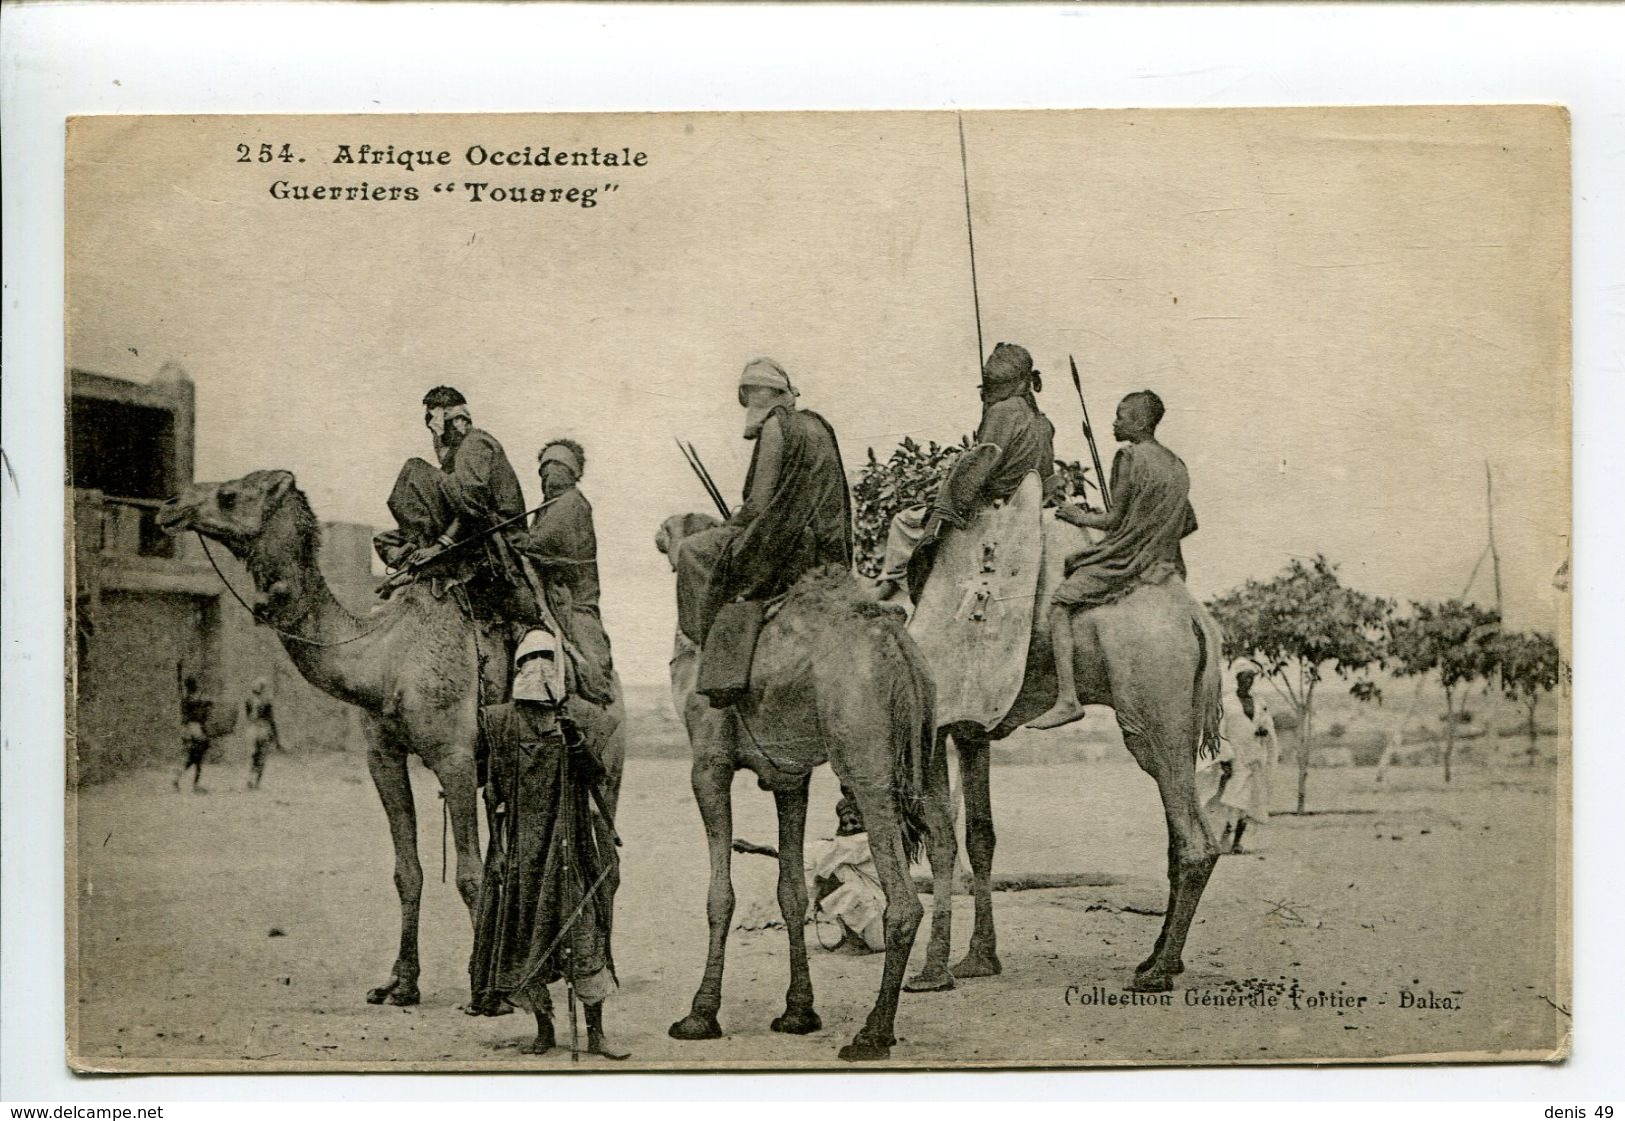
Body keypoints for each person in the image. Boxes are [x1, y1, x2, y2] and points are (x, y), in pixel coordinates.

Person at [467, 632, 628, 1060]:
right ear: (518, 666)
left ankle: (596, 1035)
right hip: (524, 850)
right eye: (529, 658)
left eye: (545, 657)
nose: (537, 665)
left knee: (585, 935)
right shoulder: (499, 721)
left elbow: (597, 777)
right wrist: (498, 851)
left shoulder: (583, 717)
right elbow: (492, 793)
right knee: (525, 939)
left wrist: (576, 742)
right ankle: (544, 1028)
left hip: (570, 848)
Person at [1028, 390, 1199, 730]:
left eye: (1121, 416)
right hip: (1167, 563)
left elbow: (1113, 520)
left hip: (1127, 560)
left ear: (1139, 421)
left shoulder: (1129, 457)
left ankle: (1067, 699)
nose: (1114, 422)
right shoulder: (1176, 464)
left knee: (1060, 604)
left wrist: (1077, 515)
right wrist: (1152, 529)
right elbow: (1189, 523)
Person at [673, 358, 853, 649]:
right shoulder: (819, 424)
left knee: (691, 550)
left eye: (756, 393)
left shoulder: (776, 424)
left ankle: (711, 649)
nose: (753, 400)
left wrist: (733, 524)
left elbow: (759, 504)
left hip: (784, 544)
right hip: (827, 547)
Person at [872, 342, 1060, 602]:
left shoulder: (1002, 411)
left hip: (997, 507)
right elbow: (1046, 474)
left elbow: (980, 465)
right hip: (1031, 504)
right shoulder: (1043, 422)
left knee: (904, 521)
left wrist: (954, 503)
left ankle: (891, 584)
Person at [373, 386, 534, 622]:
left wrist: (438, 547)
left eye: (438, 426)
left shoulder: (475, 443)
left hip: (494, 538)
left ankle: (433, 557)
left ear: (456, 421)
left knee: (414, 470)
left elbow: (472, 508)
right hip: (471, 530)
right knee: (384, 540)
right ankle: (417, 559)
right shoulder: (460, 453)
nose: (436, 436)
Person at [521, 439, 613, 705]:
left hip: (574, 600)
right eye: (545, 468)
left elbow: (540, 545)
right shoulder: (546, 507)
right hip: (550, 591)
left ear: (572, 473)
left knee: (592, 667)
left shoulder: (572, 503)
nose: (550, 473)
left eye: (558, 466)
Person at [808, 793, 886, 954]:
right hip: (879, 924)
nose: (850, 828)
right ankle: (849, 937)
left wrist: (763, 849)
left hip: (880, 929)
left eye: (854, 822)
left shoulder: (865, 840)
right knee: (831, 866)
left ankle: (855, 942)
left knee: (835, 870)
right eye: (845, 824)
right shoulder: (855, 844)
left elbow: (818, 852)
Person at [1216, 669, 1274, 851]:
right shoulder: (1226, 703)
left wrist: (1263, 732)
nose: (1248, 681)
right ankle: (1224, 836)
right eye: (1244, 677)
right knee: (1232, 797)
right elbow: (1220, 730)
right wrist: (1224, 758)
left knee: (1248, 799)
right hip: (1234, 755)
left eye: (1251, 678)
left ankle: (1237, 842)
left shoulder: (1258, 702)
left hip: (1253, 755)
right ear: (1237, 678)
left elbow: (1265, 724)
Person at [173, 673, 213, 793]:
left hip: (190, 729)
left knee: (193, 758)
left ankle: (179, 780)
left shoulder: (187, 700)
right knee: (196, 758)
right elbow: (197, 710)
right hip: (194, 729)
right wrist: (205, 705)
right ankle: (194, 784)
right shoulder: (189, 700)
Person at [243, 677, 283, 790]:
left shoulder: (248, 701)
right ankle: (256, 782)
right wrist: (276, 738)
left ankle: (250, 778)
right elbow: (271, 720)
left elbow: (248, 717)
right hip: (263, 729)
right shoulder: (266, 702)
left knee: (253, 755)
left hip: (251, 729)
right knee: (262, 757)